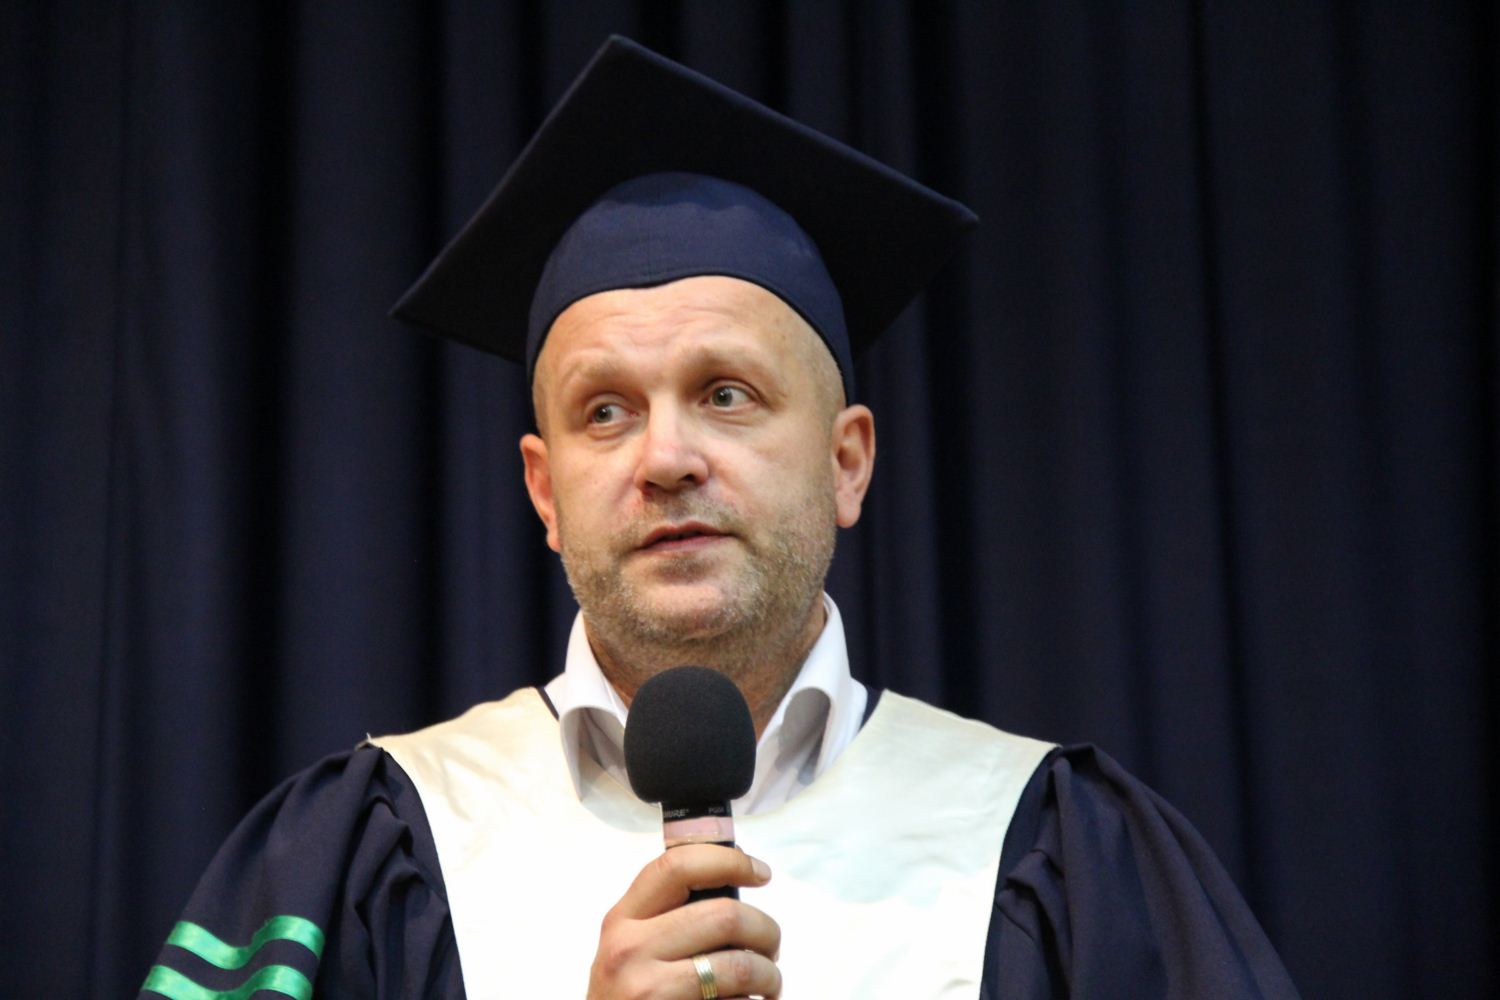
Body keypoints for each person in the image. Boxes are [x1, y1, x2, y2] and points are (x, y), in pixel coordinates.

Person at [139, 37, 1300, 1000]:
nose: (666, 459)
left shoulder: (1055, 851)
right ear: (544, 492)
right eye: (605, 411)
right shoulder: (368, 848)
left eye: (727, 393)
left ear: (847, 463)